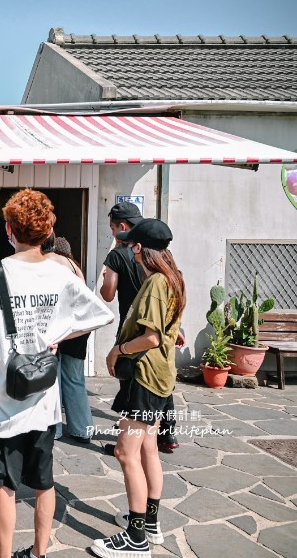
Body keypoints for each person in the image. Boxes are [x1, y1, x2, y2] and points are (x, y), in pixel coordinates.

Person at [0, 189, 113, 558]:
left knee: (5, 485)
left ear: (9, 229)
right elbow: (100, 314)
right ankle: (40, 553)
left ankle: (4, 554)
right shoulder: (60, 273)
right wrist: (57, 334)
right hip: (43, 398)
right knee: (44, 482)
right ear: (47, 232)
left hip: (1, 398)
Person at [91, 218, 186, 558]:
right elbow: (169, 333)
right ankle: (150, 524)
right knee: (147, 448)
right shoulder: (171, 278)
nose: (128, 250)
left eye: (130, 245)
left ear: (140, 249)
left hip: (145, 379)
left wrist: (118, 350)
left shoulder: (156, 283)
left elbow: (152, 337)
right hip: (161, 378)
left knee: (124, 452)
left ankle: (135, 538)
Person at [100, 203, 179, 452]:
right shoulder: (168, 266)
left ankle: (128, 442)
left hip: (137, 335)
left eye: (113, 228)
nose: (113, 233)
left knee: (133, 387)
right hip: (160, 337)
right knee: (159, 391)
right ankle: (168, 435)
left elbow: (108, 294)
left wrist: (117, 349)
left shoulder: (120, 256)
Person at [42, 234, 94, 444]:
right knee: (75, 379)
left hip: (60, 327)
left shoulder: (50, 262)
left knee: (52, 381)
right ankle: (83, 429)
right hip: (79, 328)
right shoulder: (74, 265)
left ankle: (54, 429)